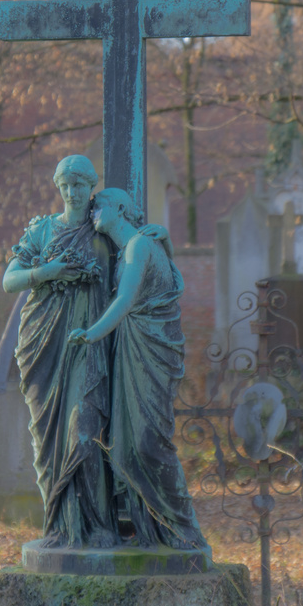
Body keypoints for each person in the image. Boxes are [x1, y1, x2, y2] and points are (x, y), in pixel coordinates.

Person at [67, 188, 207, 551]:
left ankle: (185, 529)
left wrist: (91, 333)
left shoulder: (138, 248)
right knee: (128, 448)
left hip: (150, 352)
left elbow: (126, 301)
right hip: (134, 350)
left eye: (100, 204)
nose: (93, 209)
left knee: (148, 443)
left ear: (120, 209)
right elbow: (171, 279)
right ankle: (152, 533)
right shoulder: (142, 246)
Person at [3, 155, 117, 548]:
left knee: (84, 433)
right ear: (58, 187)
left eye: (79, 185)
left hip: (88, 342)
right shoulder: (42, 230)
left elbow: (138, 259)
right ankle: (59, 526)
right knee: (47, 439)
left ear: (91, 187)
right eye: (65, 185)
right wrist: (46, 272)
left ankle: (99, 526)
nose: (72, 193)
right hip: (42, 342)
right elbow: (9, 281)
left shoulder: (106, 230)